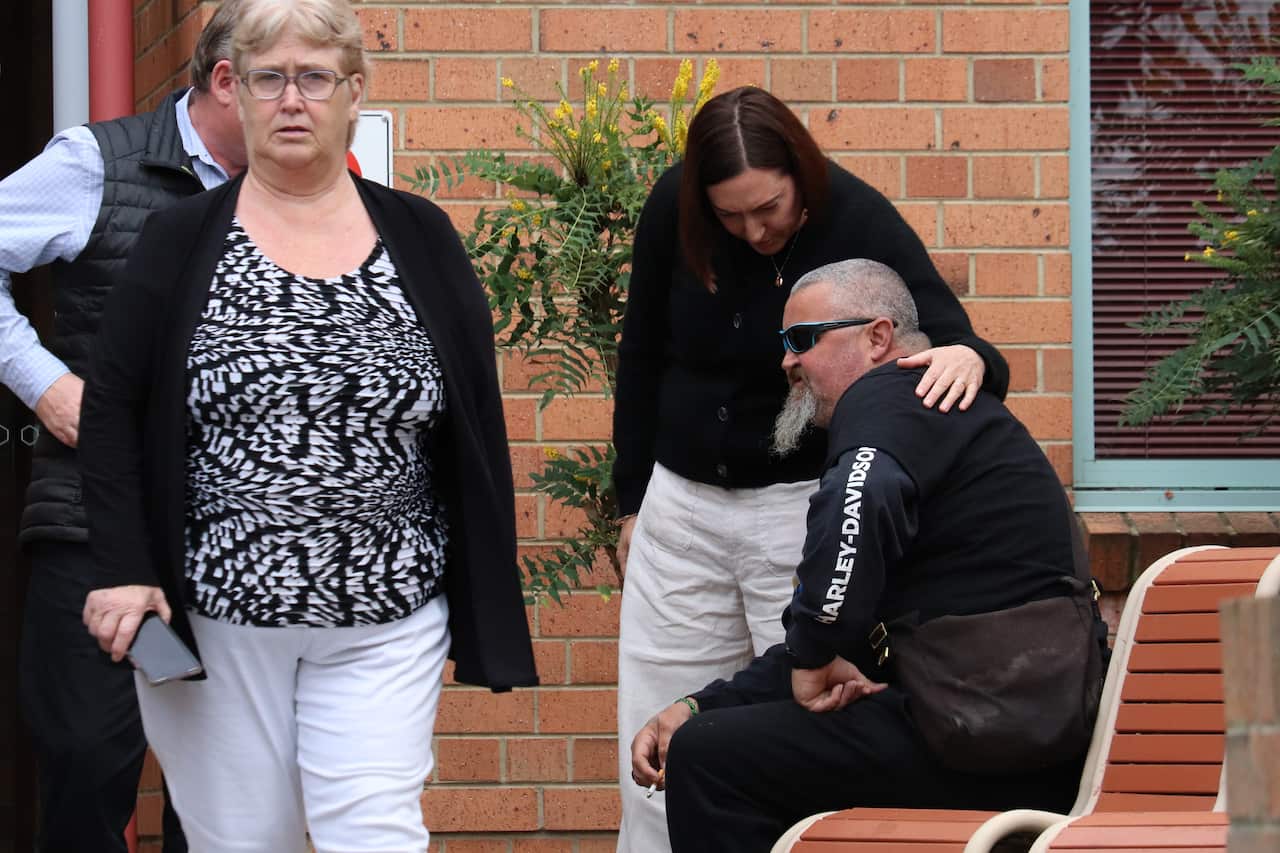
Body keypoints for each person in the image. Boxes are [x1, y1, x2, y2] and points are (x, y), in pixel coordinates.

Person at [77, 0, 537, 849]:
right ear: (236, 92)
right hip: (216, 617)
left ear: (354, 92)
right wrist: (124, 568)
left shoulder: (420, 236)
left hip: (386, 610)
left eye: (316, 77)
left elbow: (471, 414)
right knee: (244, 839)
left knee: (375, 832)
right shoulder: (180, 240)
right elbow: (112, 409)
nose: (293, 100)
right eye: (269, 78)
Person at [611, 85, 1011, 851]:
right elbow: (641, 352)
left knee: (800, 727)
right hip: (681, 508)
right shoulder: (675, 206)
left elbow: (948, 342)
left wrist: (973, 357)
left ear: (800, 170)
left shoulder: (856, 215)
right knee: (655, 734)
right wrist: (632, 501)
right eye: (731, 215)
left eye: (768, 207)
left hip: (798, 508)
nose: (753, 229)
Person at [629, 259, 1096, 853]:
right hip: (999, 730)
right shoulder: (926, 414)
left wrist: (811, 654)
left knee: (711, 758)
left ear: (877, 338)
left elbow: (856, 520)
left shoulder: (892, 398)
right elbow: (846, 631)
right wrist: (701, 703)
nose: (787, 361)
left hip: (990, 743)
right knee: (718, 735)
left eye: (802, 340)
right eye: (783, 343)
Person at [3, 3, 247, 848]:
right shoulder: (95, 164)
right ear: (225, 79)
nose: (308, 110)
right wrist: (44, 384)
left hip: (237, 543)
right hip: (95, 532)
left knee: (224, 800)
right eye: (286, 81)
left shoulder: (306, 195)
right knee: (86, 767)